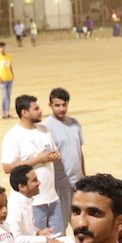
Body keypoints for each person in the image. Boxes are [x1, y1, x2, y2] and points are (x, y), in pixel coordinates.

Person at [1, 95, 64, 233]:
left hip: (52, 198)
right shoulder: (13, 135)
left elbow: (52, 153)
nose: (40, 111)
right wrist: (38, 160)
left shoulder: (44, 130)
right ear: (25, 113)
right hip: (32, 202)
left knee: (59, 239)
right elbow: (7, 167)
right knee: (38, 241)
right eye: (36, 109)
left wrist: (55, 156)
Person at [44, 87, 85, 232]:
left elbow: (79, 152)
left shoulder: (75, 123)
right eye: (57, 105)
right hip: (59, 184)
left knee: (81, 225)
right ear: (50, 105)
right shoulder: (46, 128)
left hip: (78, 183)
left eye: (64, 105)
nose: (61, 109)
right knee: (60, 228)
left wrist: (83, 177)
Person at [0, 42, 15, 119]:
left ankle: (7, 112)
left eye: (3, 47)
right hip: (2, 79)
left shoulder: (9, 56)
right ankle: (3, 112)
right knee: (4, 96)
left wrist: (12, 74)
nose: (2, 49)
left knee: (8, 96)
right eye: (0, 47)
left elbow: (10, 66)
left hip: (9, 78)